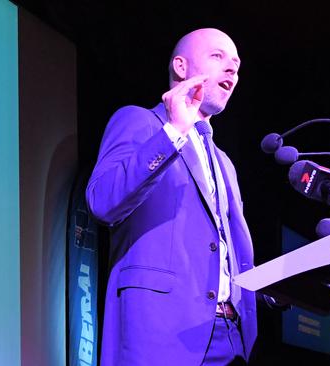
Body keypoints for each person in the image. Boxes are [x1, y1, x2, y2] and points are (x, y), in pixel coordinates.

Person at [86, 28, 257, 365]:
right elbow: (102, 201)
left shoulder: (225, 163)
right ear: (181, 67)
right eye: (218, 57)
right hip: (161, 332)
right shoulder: (140, 122)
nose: (231, 70)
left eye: (236, 64)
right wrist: (173, 132)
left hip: (231, 336)